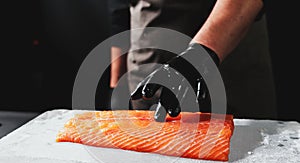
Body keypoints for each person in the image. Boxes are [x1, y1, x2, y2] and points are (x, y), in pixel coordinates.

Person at [108, 0, 277, 121]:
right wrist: (117, 79)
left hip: (237, 21)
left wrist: (203, 52)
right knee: (157, 138)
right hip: (156, 32)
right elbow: (119, 7)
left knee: (246, 140)